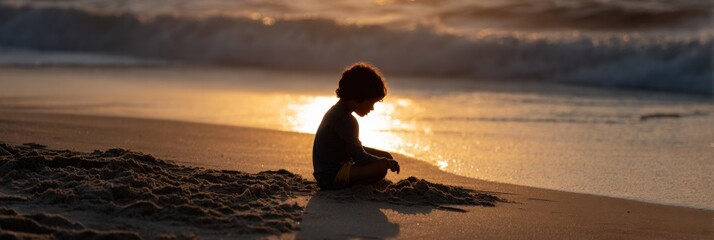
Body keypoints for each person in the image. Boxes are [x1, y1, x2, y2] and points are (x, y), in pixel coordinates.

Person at [312, 62, 400, 189]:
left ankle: (357, 177)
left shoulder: (334, 112)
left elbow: (351, 149)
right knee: (381, 167)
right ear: (359, 97)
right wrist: (385, 163)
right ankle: (354, 184)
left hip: (326, 172)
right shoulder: (346, 120)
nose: (372, 108)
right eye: (372, 102)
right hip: (330, 176)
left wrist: (384, 159)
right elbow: (359, 157)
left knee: (385, 157)